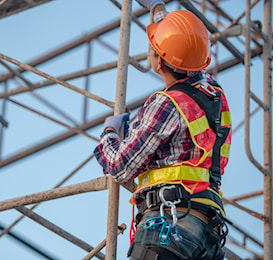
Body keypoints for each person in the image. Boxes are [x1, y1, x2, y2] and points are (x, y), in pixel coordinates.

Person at [93, 1, 232, 259]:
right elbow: (185, 47)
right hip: (207, 234)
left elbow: (120, 165)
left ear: (158, 62)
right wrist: (158, 11)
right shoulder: (215, 94)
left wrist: (108, 134)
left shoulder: (166, 104)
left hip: (170, 226)